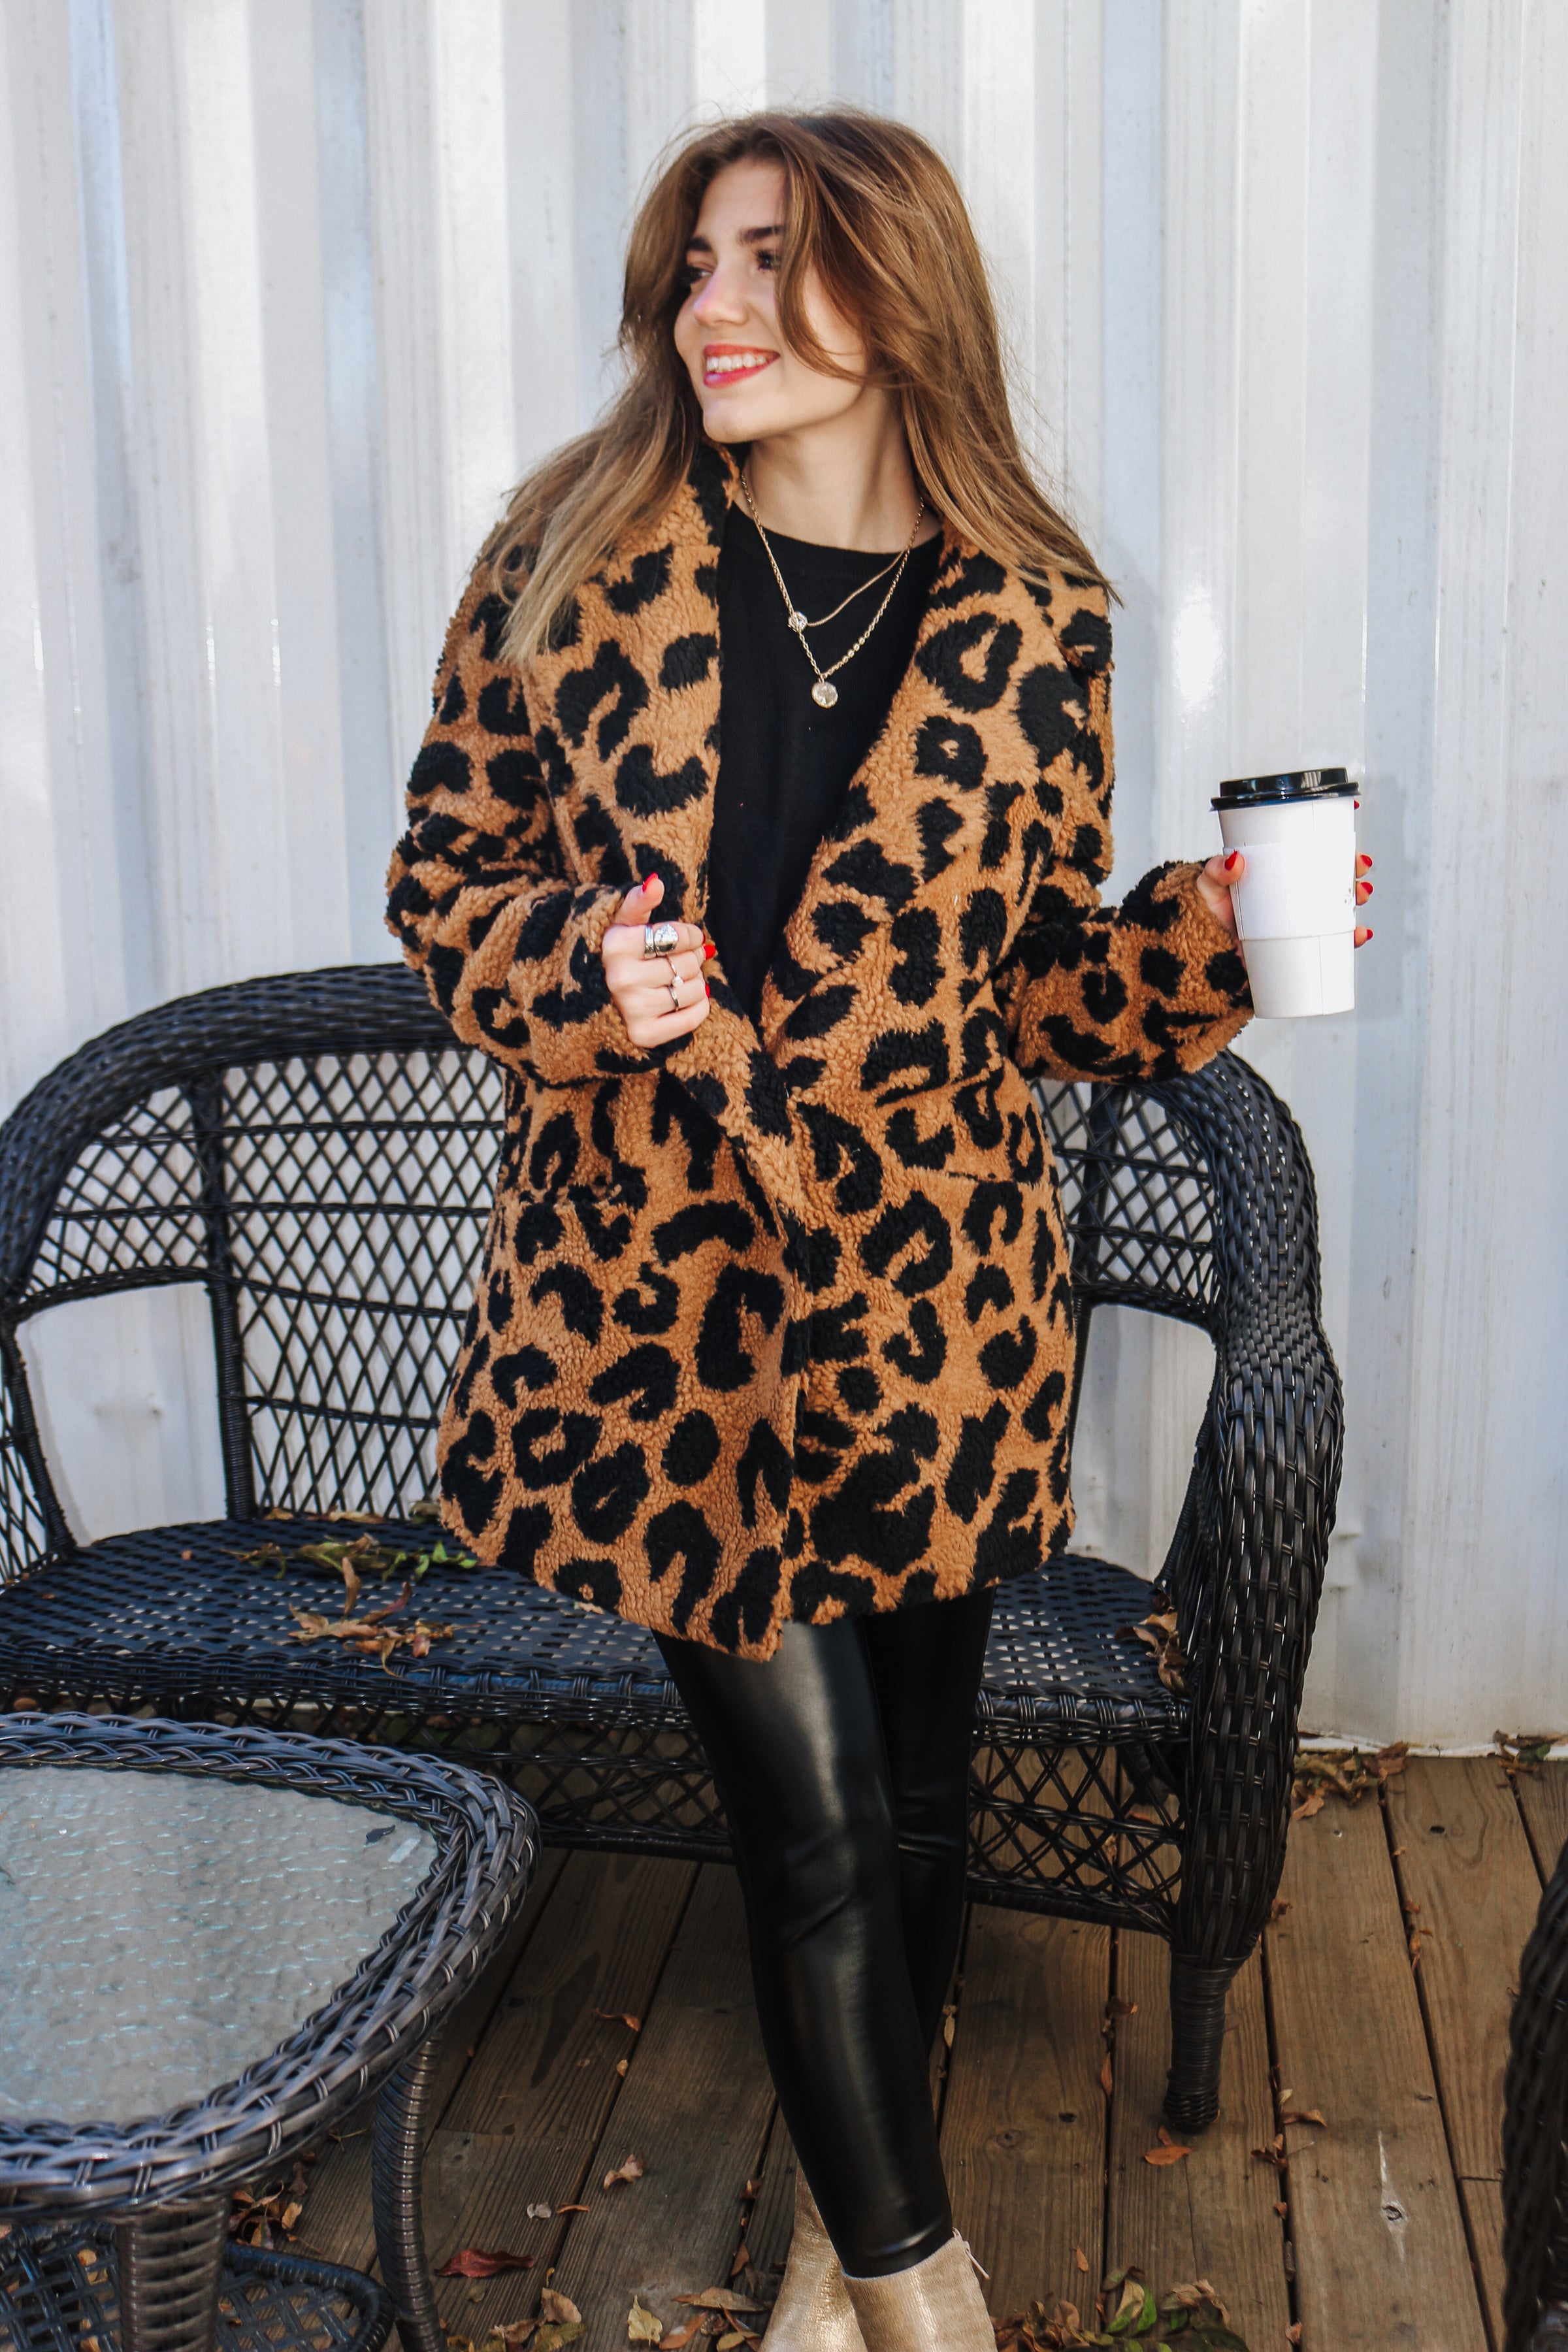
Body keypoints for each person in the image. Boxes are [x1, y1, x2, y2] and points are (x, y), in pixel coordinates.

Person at [387, 108, 1373, 2352]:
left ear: (898, 291)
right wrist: (578, 970)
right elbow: (444, 891)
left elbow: (1029, 987)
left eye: (770, 259)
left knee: (920, 1807)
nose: (710, 307)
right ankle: (932, 2302)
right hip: (656, 1315)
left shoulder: (1039, 615)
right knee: (822, 1828)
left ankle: (844, 2248)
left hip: (936, 1306)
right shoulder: (572, 555)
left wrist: (1208, 941)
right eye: (695, 266)